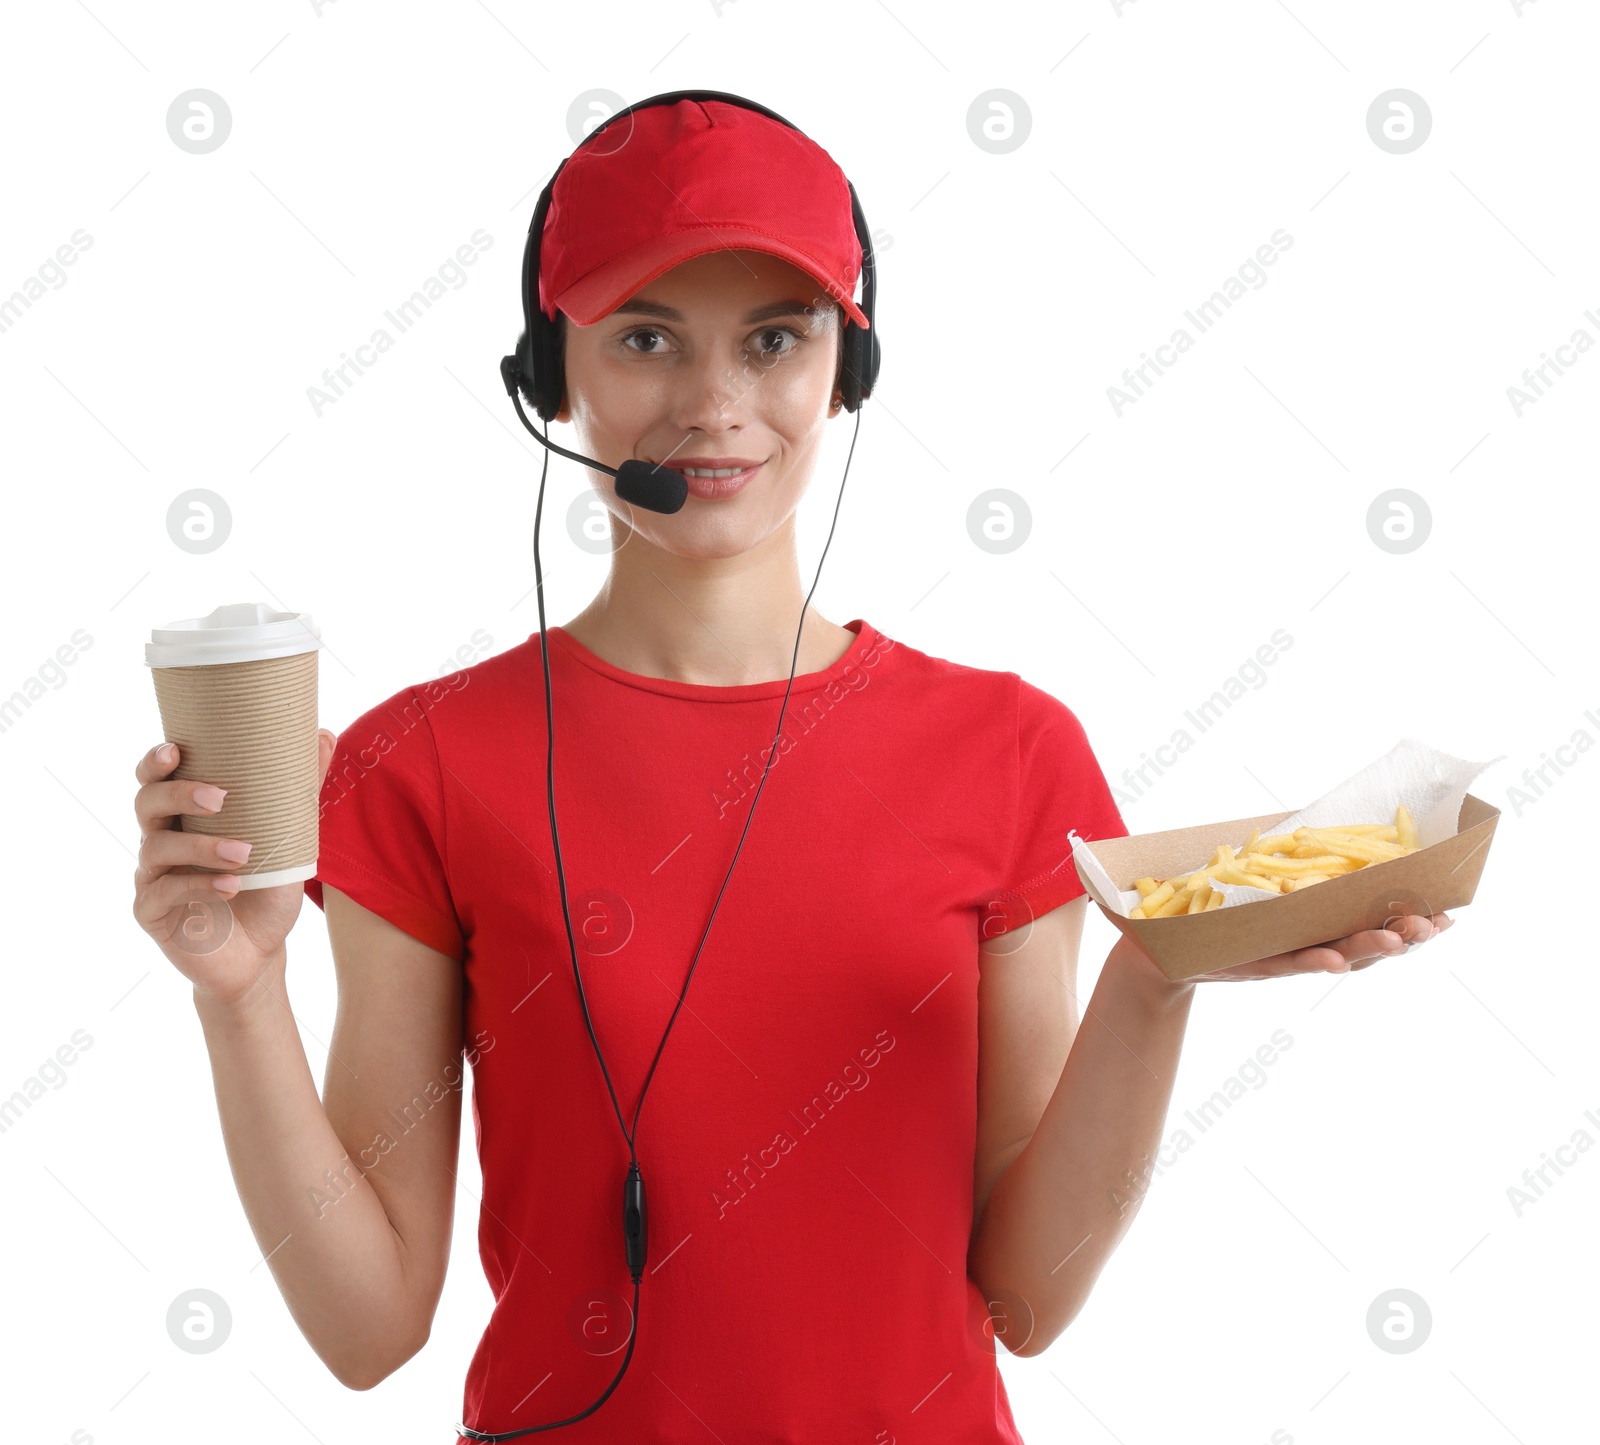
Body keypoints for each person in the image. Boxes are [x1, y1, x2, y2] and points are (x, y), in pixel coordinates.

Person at [131, 95, 1453, 1442]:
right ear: (551, 374)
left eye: (776, 339)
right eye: (647, 338)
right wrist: (239, 996)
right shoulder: (421, 765)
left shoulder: (1010, 752)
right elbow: (369, 1329)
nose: (715, 408)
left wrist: (1154, 979)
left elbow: (1030, 1298)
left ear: (846, 371)